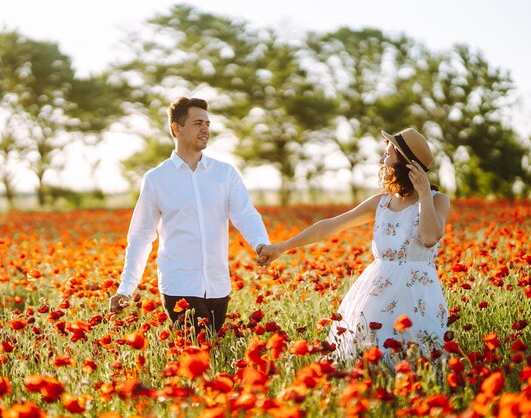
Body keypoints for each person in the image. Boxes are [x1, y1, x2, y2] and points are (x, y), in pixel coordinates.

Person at [257, 128, 450, 361]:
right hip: (378, 294)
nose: (382, 160)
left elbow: (429, 238)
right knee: (372, 358)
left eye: (388, 154)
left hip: (419, 296)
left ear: (407, 164)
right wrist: (281, 247)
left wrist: (424, 194)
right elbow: (328, 227)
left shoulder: (438, 200)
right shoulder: (382, 202)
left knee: (418, 360)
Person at [109, 97, 269, 334]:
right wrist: (126, 288)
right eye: (197, 123)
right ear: (177, 128)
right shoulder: (156, 179)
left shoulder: (224, 173)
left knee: (210, 356)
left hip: (218, 287)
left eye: (207, 123)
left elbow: (245, 214)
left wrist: (261, 244)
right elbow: (141, 237)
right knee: (199, 354)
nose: (205, 129)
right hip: (179, 287)